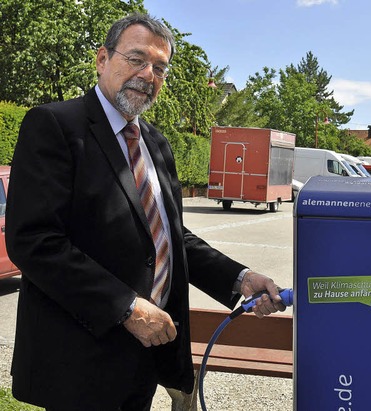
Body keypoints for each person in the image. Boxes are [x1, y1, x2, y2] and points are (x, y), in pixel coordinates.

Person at [6, 13, 286, 411]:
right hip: (80, 360)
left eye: (159, 67)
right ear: (103, 59)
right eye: (136, 59)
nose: (148, 74)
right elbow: (34, 241)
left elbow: (171, 238)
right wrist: (126, 307)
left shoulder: (156, 143)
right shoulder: (54, 125)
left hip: (144, 357)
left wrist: (239, 278)